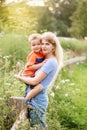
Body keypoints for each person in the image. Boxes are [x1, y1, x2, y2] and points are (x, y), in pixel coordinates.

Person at [15, 32, 63, 129]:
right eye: (42, 43)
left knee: (38, 127)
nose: (43, 46)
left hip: (37, 100)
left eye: (47, 44)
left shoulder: (51, 62)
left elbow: (34, 81)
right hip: (34, 98)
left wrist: (20, 77)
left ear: (53, 47)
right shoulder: (44, 59)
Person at [20, 33, 46, 100]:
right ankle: (26, 101)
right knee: (32, 88)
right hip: (28, 75)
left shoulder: (40, 53)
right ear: (30, 46)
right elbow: (30, 67)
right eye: (33, 45)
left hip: (33, 75)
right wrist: (42, 64)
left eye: (38, 44)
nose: (36, 46)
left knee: (33, 88)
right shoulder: (33, 55)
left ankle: (28, 101)